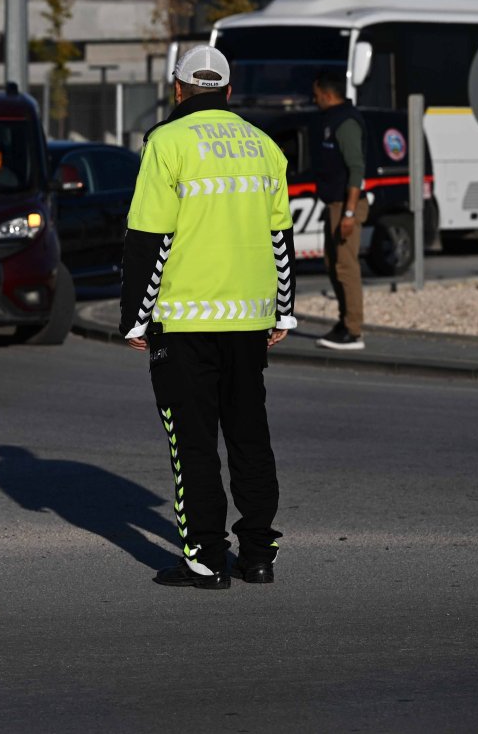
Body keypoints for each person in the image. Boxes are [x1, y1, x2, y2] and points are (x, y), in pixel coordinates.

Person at [120, 45, 296, 589]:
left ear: (178, 90)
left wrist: (135, 317)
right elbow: (280, 237)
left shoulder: (166, 143)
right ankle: (259, 555)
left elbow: (150, 237)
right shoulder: (264, 146)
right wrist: (283, 311)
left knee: (192, 442)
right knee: (249, 434)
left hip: (185, 318)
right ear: (228, 89)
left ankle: (205, 558)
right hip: (248, 318)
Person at [312, 69, 367, 350]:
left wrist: (348, 213)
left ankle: (353, 330)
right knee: (332, 265)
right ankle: (344, 321)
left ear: (328, 93)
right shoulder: (330, 120)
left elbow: (356, 169)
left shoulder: (345, 122)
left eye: (317, 94)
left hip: (346, 205)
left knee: (346, 267)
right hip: (333, 203)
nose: (315, 98)